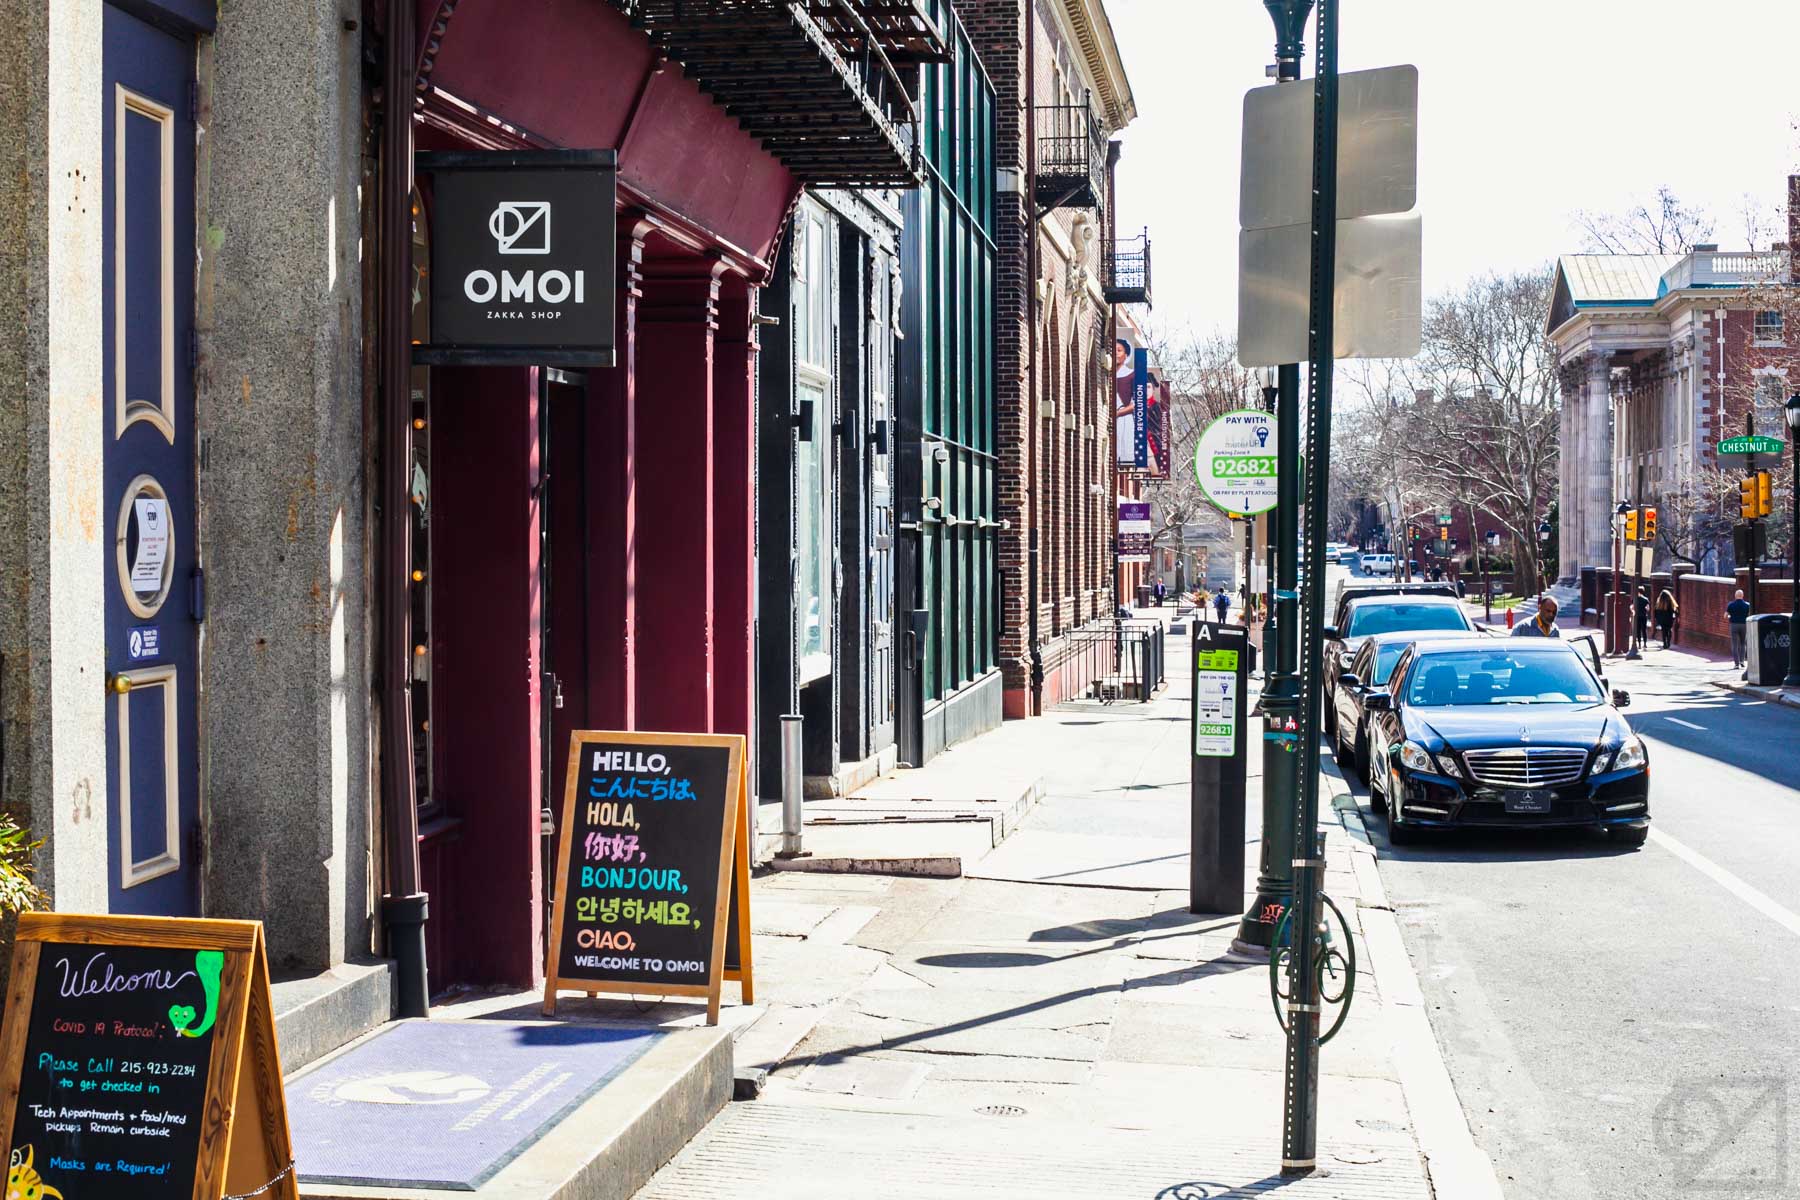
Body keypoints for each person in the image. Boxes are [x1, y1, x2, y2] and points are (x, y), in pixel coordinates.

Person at [1727, 588, 1752, 669]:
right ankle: (1742, 661)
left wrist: (1729, 616)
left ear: (1735, 596)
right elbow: (1750, 615)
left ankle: (1736, 664)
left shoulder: (1730, 605)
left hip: (1734, 625)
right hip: (1744, 625)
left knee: (1734, 644)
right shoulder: (1748, 605)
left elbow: (1725, 615)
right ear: (1743, 596)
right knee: (1743, 643)